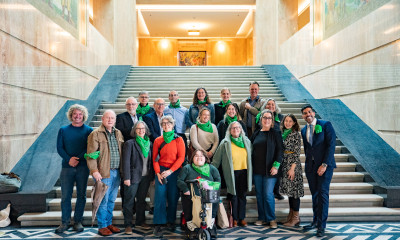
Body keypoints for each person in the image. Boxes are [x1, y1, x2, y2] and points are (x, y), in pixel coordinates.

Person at [55, 104, 93, 233]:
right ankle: (65, 222)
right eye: (75, 114)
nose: (77, 116)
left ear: (83, 116)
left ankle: (78, 221)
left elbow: (90, 147)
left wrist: (77, 158)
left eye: (80, 114)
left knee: (81, 195)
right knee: (66, 195)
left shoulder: (88, 130)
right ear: (71, 115)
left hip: (82, 167)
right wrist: (69, 159)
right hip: (67, 167)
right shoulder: (63, 130)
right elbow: (60, 147)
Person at [86, 110, 124, 236]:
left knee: (112, 199)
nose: (110, 120)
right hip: (103, 173)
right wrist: (94, 171)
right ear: (102, 119)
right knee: (103, 200)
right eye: (107, 117)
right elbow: (91, 155)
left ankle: (108, 223)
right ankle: (102, 225)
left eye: (112, 118)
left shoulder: (118, 133)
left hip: (116, 172)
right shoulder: (95, 134)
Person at [301, 105, 336, 237]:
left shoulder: (325, 124)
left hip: (325, 166)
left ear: (314, 113)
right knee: (315, 194)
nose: (307, 114)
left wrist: (325, 164)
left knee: (322, 194)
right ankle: (315, 221)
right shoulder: (304, 130)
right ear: (303, 116)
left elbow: (331, 145)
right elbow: (307, 149)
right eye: (305, 113)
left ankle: (321, 226)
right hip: (311, 167)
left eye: (309, 112)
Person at [212, 122, 252, 227]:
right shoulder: (225, 142)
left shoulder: (247, 141)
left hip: (244, 172)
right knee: (233, 196)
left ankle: (241, 218)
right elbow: (216, 159)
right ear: (230, 130)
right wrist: (210, 171)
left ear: (241, 129)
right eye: (233, 128)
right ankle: (234, 218)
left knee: (242, 196)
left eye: (238, 127)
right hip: (231, 173)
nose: (236, 129)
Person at [152, 115, 186, 238]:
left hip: (174, 171)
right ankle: (158, 224)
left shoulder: (179, 140)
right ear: (161, 125)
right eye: (164, 123)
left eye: (169, 123)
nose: (166, 125)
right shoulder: (157, 140)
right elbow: (155, 159)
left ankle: (171, 221)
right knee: (160, 197)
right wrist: (157, 173)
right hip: (160, 171)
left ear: (173, 125)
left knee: (173, 196)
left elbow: (181, 158)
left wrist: (170, 171)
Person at [250, 109, 283, 228]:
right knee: (259, 194)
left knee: (268, 194)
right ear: (261, 119)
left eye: (269, 118)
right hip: (257, 169)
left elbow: (280, 151)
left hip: (271, 170)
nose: (267, 120)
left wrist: (276, 166)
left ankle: (271, 218)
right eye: (265, 117)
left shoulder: (276, 133)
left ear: (272, 120)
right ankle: (262, 218)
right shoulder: (257, 133)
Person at [177, 149, 221, 237]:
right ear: (192, 158)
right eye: (196, 156)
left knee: (214, 199)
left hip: (208, 195)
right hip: (191, 195)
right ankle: (192, 228)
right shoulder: (187, 168)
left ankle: (210, 226)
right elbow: (180, 180)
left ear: (205, 158)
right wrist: (185, 189)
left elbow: (218, 180)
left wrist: (213, 188)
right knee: (187, 200)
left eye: (201, 156)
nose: (199, 158)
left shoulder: (212, 168)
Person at [121, 121, 153, 234]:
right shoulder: (130, 143)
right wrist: (126, 178)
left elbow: (151, 162)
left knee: (141, 201)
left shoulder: (150, 143)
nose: (141, 131)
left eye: (143, 128)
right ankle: (128, 224)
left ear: (146, 130)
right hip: (132, 177)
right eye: (138, 129)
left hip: (145, 177)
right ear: (135, 130)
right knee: (129, 201)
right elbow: (125, 162)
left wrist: (152, 177)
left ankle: (140, 221)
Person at [256, 98, 284, 200]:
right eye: (268, 104)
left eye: (273, 104)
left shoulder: (280, 118)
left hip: (277, 144)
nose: (271, 106)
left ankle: (276, 191)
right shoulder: (260, 117)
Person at [279, 114, 304, 227]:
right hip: (285, 164)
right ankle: (290, 216)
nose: (287, 123)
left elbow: (297, 152)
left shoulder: (296, 134)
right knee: (290, 192)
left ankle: (296, 217)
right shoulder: (283, 133)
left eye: (290, 121)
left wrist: (292, 169)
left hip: (293, 166)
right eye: (286, 121)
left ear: (294, 123)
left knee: (294, 193)